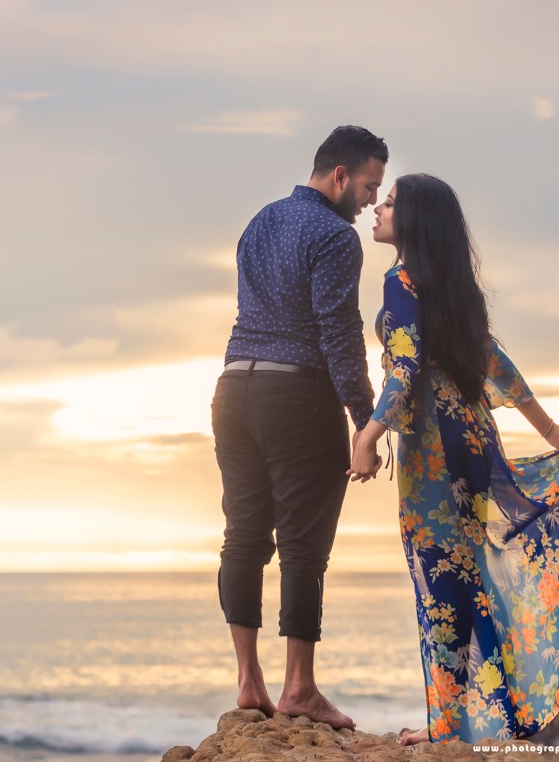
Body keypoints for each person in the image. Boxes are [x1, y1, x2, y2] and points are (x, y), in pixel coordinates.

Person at [348, 174, 559, 744]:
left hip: (434, 457)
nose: (378, 210)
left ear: (413, 220)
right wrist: (551, 428)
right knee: (469, 579)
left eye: (389, 203)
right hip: (474, 445)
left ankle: (447, 729)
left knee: (440, 581)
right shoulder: (452, 288)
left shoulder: (401, 282)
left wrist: (367, 434)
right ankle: (481, 722)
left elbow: (404, 367)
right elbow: (494, 361)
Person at [212, 125, 388, 729]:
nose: (369, 200)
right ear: (339, 176)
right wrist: (367, 422)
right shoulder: (335, 237)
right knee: (303, 548)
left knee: (243, 535)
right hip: (297, 395)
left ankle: (248, 682)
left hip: (233, 389)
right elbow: (339, 336)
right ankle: (299, 689)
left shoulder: (260, 221)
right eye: (368, 186)